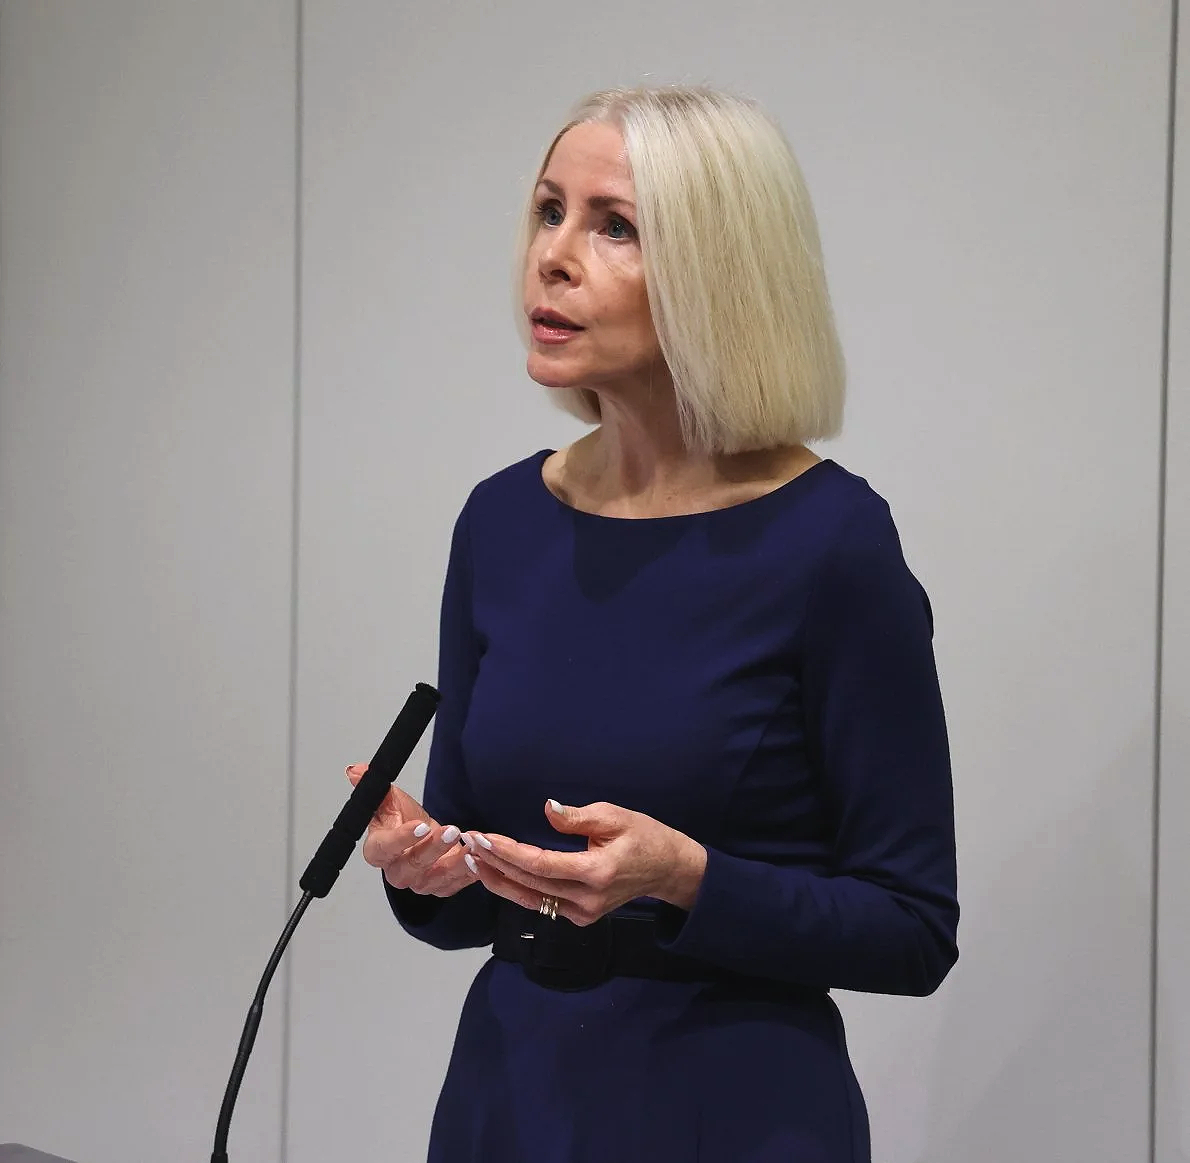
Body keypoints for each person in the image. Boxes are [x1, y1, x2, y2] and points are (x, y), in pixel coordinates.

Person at [346, 82, 959, 1163]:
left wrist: (686, 876)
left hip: (729, 1112)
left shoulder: (831, 542)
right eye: (548, 210)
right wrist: (422, 863)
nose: (554, 255)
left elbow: (911, 926)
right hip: (506, 1100)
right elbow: (460, 906)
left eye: (613, 226)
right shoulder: (499, 521)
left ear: (717, 274)